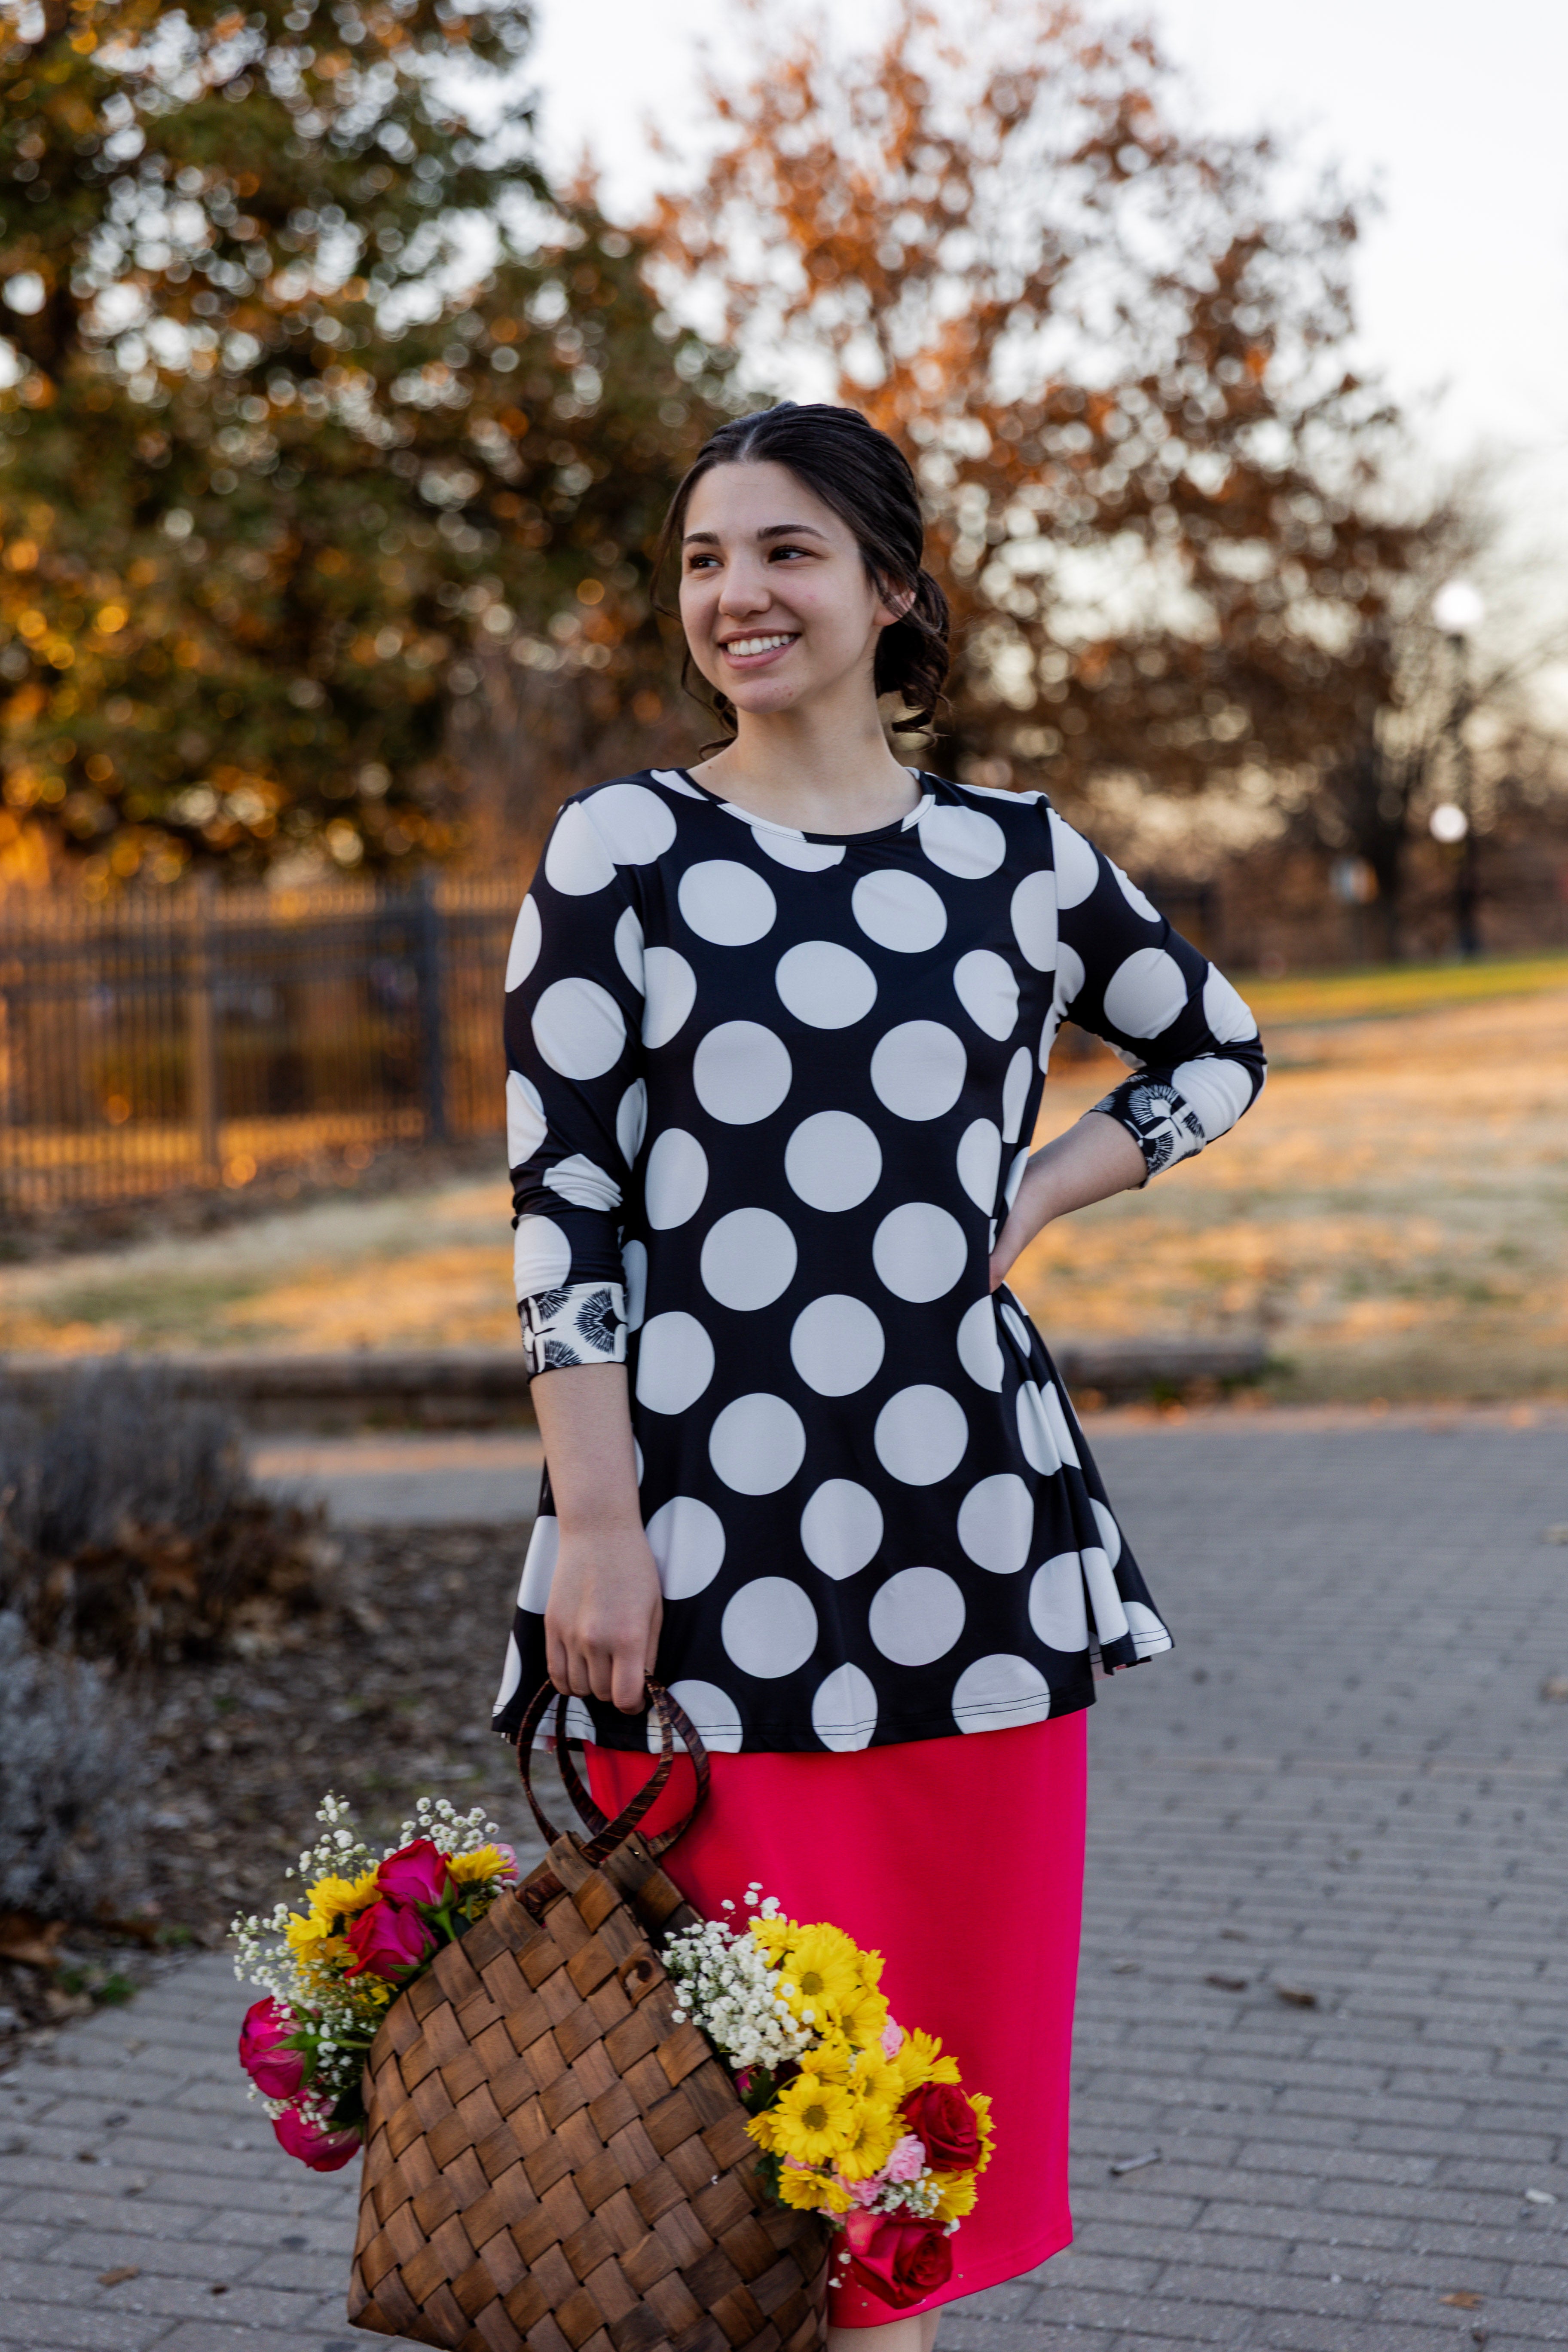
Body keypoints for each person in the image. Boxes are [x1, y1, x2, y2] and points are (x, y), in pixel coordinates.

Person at [494, 402, 1265, 2350]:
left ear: (892, 591)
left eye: (785, 553)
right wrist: (596, 1525)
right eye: (702, 560)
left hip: (965, 1534)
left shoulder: (1017, 860)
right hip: (704, 1546)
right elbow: (565, 1206)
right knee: (717, 2139)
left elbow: (1217, 1051)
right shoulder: (623, 851)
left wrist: (1031, 1195)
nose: (735, 595)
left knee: (911, 2150)